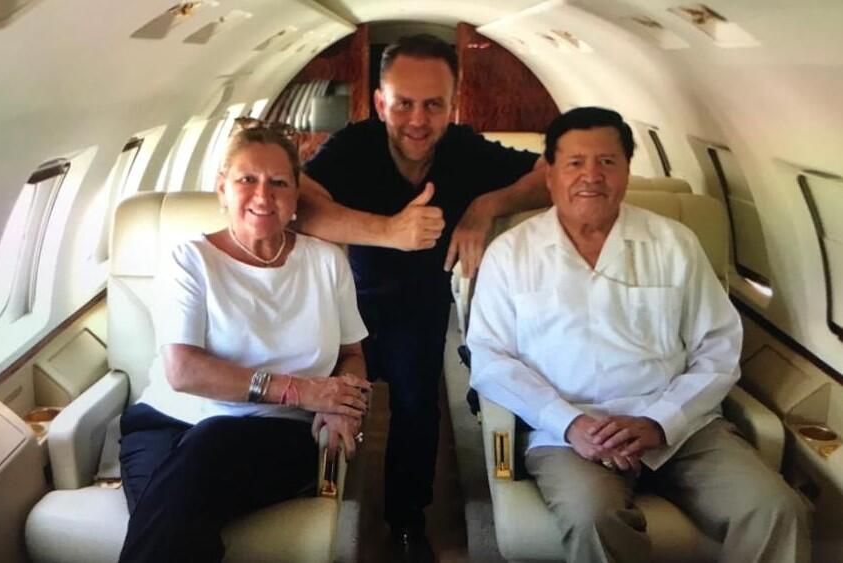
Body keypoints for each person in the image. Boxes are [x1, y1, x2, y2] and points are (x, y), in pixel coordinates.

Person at [467, 107, 810, 563]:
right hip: (569, 434)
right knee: (592, 516)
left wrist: (659, 421)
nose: (591, 176)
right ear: (549, 174)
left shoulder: (674, 244)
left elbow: (718, 346)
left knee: (776, 508)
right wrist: (571, 424)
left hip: (679, 428)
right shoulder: (510, 254)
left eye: (607, 161)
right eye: (575, 162)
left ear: (627, 169)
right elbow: (490, 358)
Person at [296, 34, 550, 557]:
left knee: (416, 413)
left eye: (433, 105)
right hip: (350, 303)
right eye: (403, 104)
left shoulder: (465, 150)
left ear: (452, 106)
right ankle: (311, 499)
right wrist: (389, 231)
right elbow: (300, 205)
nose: (418, 119)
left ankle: (407, 525)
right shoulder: (354, 146)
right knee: (336, 401)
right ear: (380, 102)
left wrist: (486, 206)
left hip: (422, 306)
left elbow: (552, 175)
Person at [117, 121, 372, 563]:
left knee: (184, 489)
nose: (262, 195)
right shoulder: (189, 260)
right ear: (222, 189)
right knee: (174, 525)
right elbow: (183, 371)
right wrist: (303, 389)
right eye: (247, 179)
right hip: (167, 422)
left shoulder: (327, 263)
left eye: (278, 183)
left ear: (296, 195)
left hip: (280, 431)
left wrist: (342, 404)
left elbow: (352, 355)